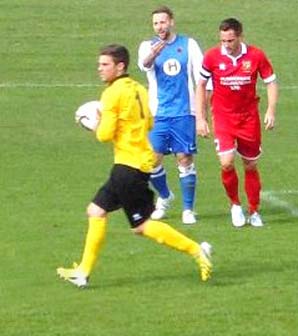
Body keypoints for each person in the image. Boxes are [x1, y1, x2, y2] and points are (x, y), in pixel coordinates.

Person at [57, 44, 212, 288]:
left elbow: (105, 135)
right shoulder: (139, 88)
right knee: (95, 210)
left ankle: (197, 250)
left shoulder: (111, 93)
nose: (100, 69)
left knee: (142, 225)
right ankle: (83, 272)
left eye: (105, 64)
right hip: (137, 161)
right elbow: (149, 121)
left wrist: (93, 123)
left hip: (128, 167)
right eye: (99, 64)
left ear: (120, 66)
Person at [195, 18, 278, 227]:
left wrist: (270, 110)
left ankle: (254, 210)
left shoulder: (256, 55)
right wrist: (201, 117)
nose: (226, 45)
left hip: (249, 118)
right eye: (223, 40)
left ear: (240, 37)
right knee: (226, 162)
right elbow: (201, 86)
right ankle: (235, 205)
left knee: (250, 164)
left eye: (230, 40)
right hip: (223, 117)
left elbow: (271, 82)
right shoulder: (212, 57)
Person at [137, 6, 203, 224]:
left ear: (171, 22)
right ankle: (165, 197)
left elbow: (201, 77)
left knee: (184, 158)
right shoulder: (147, 46)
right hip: (158, 113)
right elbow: (143, 65)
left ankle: (188, 209)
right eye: (156, 23)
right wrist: (152, 54)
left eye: (163, 22)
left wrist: (201, 112)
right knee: (151, 160)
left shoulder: (188, 44)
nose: (160, 27)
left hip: (184, 112)